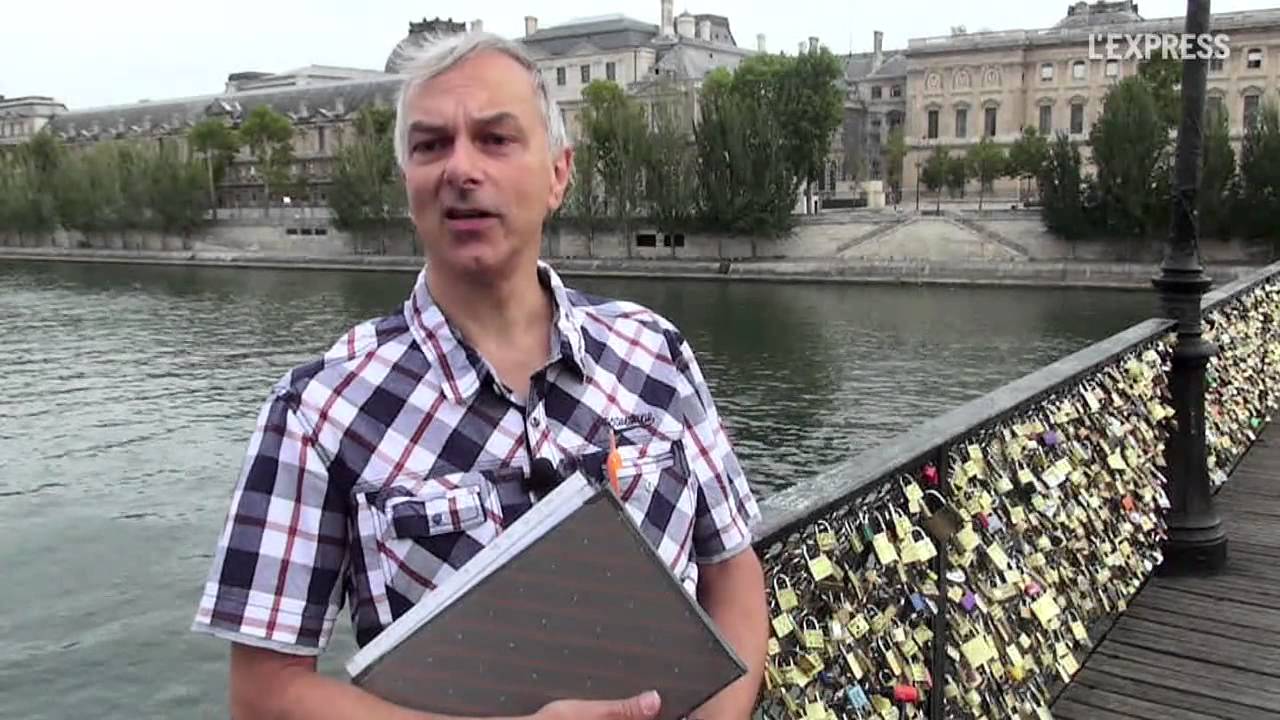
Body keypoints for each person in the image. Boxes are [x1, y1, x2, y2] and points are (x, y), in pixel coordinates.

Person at [191, 30, 768, 720]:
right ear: (406, 181)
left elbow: (732, 573)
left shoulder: (655, 354)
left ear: (559, 173)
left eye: (495, 139)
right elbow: (264, 694)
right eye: (431, 145)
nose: (460, 169)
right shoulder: (321, 409)